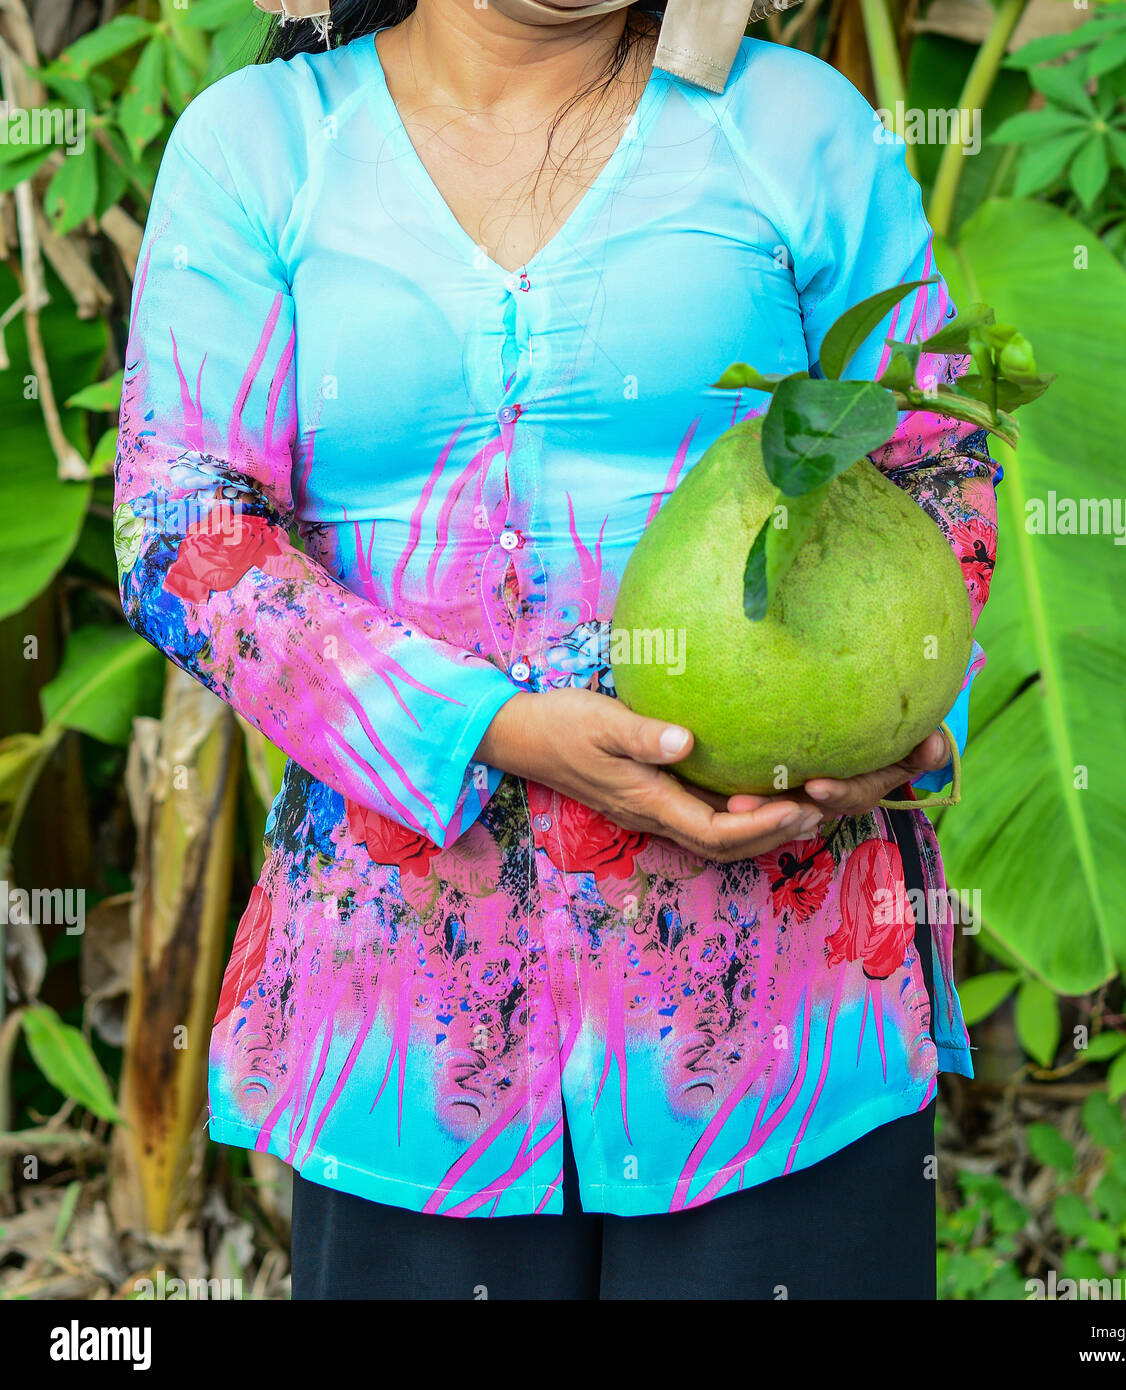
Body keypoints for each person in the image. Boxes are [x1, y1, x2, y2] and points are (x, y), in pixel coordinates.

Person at [113, 0, 998, 1299]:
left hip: (785, 1006)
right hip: (406, 1021)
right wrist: (481, 728)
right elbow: (180, 525)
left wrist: (895, 734)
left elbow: (937, 460)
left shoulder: (796, 128)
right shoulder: (259, 148)